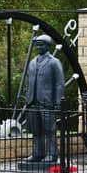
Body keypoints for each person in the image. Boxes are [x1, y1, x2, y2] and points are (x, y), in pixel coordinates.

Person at [25, 35, 65, 163]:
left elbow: (59, 83)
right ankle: (37, 154)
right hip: (33, 102)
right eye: (37, 44)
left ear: (48, 46)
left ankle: (52, 155)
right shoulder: (32, 62)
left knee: (50, 130)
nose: (38, 47)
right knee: (36, 131)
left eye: (41, 44)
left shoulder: (54, 62)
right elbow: (29, 83)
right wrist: (28, 100)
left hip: (47, 102)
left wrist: (58, 102)